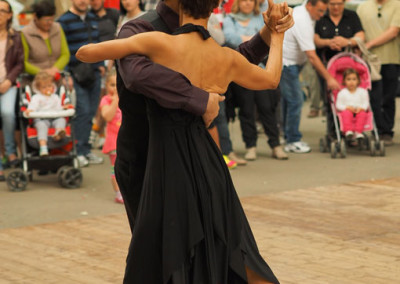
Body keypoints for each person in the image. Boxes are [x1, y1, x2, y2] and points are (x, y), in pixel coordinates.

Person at [77, 0, 289, 283]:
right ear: (213, 6)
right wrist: (200, 99)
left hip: (178, 163)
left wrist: (268, 30)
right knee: (172, 254)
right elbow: (138, 76)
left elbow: (86, 53)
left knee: (207, 250)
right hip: (150, 161)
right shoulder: (141, 27)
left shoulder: (157, 42)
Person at [223, 0, 288, 161]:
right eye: (244, 0)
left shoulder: (260, 17)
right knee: (246, 110)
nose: (247, 3)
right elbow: (231, 38)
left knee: (267, 108)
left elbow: (267, 35)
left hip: (261, 68)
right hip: (240, 71)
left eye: (250, 0)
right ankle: (250, 146)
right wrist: (257, 37)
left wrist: (252, 38)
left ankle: (275, 145)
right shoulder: (229, 19)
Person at [280, 0, 340, 154]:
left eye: (323, 12)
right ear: (309, 5)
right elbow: (312, 56)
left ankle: (286, 135)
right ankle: (292, 140)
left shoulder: (304, 13)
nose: (321, 16)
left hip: (292, 63)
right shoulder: (302, 20)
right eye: (319, 11)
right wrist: (329, 78)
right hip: (287, 64)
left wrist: (328, 42)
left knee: (289, 101)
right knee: (296, 100)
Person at [58, 0, 105, 167]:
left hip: (93, 74)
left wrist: (100, 65)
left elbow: (98, 43)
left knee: (91, 112)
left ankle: (86, 150)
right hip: (75, 75)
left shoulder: (92, 17)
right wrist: (66, 75)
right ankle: (77, 151)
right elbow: (60, 49)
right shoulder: (63, 21)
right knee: (82, 112)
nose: (83, 1)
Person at [313, 0, 364, 124]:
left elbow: (360, 36)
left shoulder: (351, 16)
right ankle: (333, 129)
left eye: (339, 3)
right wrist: (329, 42)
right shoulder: (321, 16)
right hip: (326, 64)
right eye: (332, 4)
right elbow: (315, 39)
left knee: (351, 94)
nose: (336, 7)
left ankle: (354, 126)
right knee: (330, 97)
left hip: (349, 64)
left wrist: (346, 42)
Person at [357, 0, 400, 146]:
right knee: (372, 97)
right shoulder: (363, 7)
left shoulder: (397, 5)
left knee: (388, 96)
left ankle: (386, 132)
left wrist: (369, 44)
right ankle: (375, 129)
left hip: (390, 59)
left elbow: (394, 31)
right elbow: (359, 31)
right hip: (368, 60)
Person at [24, 71, 71, 156]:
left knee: (61, 120)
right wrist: (30, 110)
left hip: (55, 118)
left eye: (49, 86)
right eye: (44, 87)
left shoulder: (55, 97)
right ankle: (43, 147)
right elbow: (33, 106)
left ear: (53, 86)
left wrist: (63, 108)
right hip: (42, 119)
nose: (47, 89)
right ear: (38, 88)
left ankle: (59, 132)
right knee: (41, 126)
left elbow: (58, 108)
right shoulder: (36, 98)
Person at [0, 0, 24, 168]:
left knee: (8, 112)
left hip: (8, 83)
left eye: (2, 10)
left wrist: (9, 80)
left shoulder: (15, 36)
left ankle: (10, 151)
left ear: (9, 15)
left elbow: (20, 63)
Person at [21, 0, 70, 78]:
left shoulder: (57, 28)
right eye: (46, 20)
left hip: (57, 75)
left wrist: (54, 69)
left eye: (52, 19)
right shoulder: (25, 33)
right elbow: (23, 62)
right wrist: (42, 72)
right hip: (35, 78)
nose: (50, 22)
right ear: (35, 17)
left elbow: (65, 54)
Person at [98, 69, 124, 203]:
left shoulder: (127, 98)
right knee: (116, 168)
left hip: (127, 140)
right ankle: (118, 193)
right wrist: (116, 100)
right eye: (112, 85)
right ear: (107, 85)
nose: (115, 88)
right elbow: (107, 116)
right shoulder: (106, 100)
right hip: (114, 142)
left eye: (118, 84)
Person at [335, 68, 369, 142]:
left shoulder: (362, 92)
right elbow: (338, 105)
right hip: (347, 111)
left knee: (363, 114)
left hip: (359, 110)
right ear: (344, 81)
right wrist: (346, 107)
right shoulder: (342, 93)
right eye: (348, 79)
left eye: (354, 79)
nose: (351, 82)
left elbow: (366, 103)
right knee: (346, 113)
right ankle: (348, 131)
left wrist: (361, 108)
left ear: (358, 81)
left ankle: (358, 132)